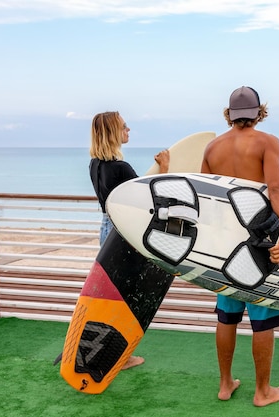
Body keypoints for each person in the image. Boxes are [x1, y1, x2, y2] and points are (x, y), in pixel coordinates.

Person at [201, 86, 279, 407]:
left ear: (229, 114)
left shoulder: (213, 148)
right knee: (262, 316)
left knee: (227, 315)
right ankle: (262, 392)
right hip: (258, 239)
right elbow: (277, 189)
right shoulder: (268, 142)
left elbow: (207, 201)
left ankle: (226, 384)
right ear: (259, 112)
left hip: (225, 242)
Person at [89, 111, 169, 370]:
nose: (129, 130)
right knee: (127, 299)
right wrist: (165, 168)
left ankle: (112, 354)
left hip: (106, 229)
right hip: (123, 234)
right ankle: (118, 356)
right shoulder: (120, 168)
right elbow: (149, 198)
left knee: (114, 297)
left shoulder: (95, 165)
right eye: (124, 127)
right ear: (114, 132)